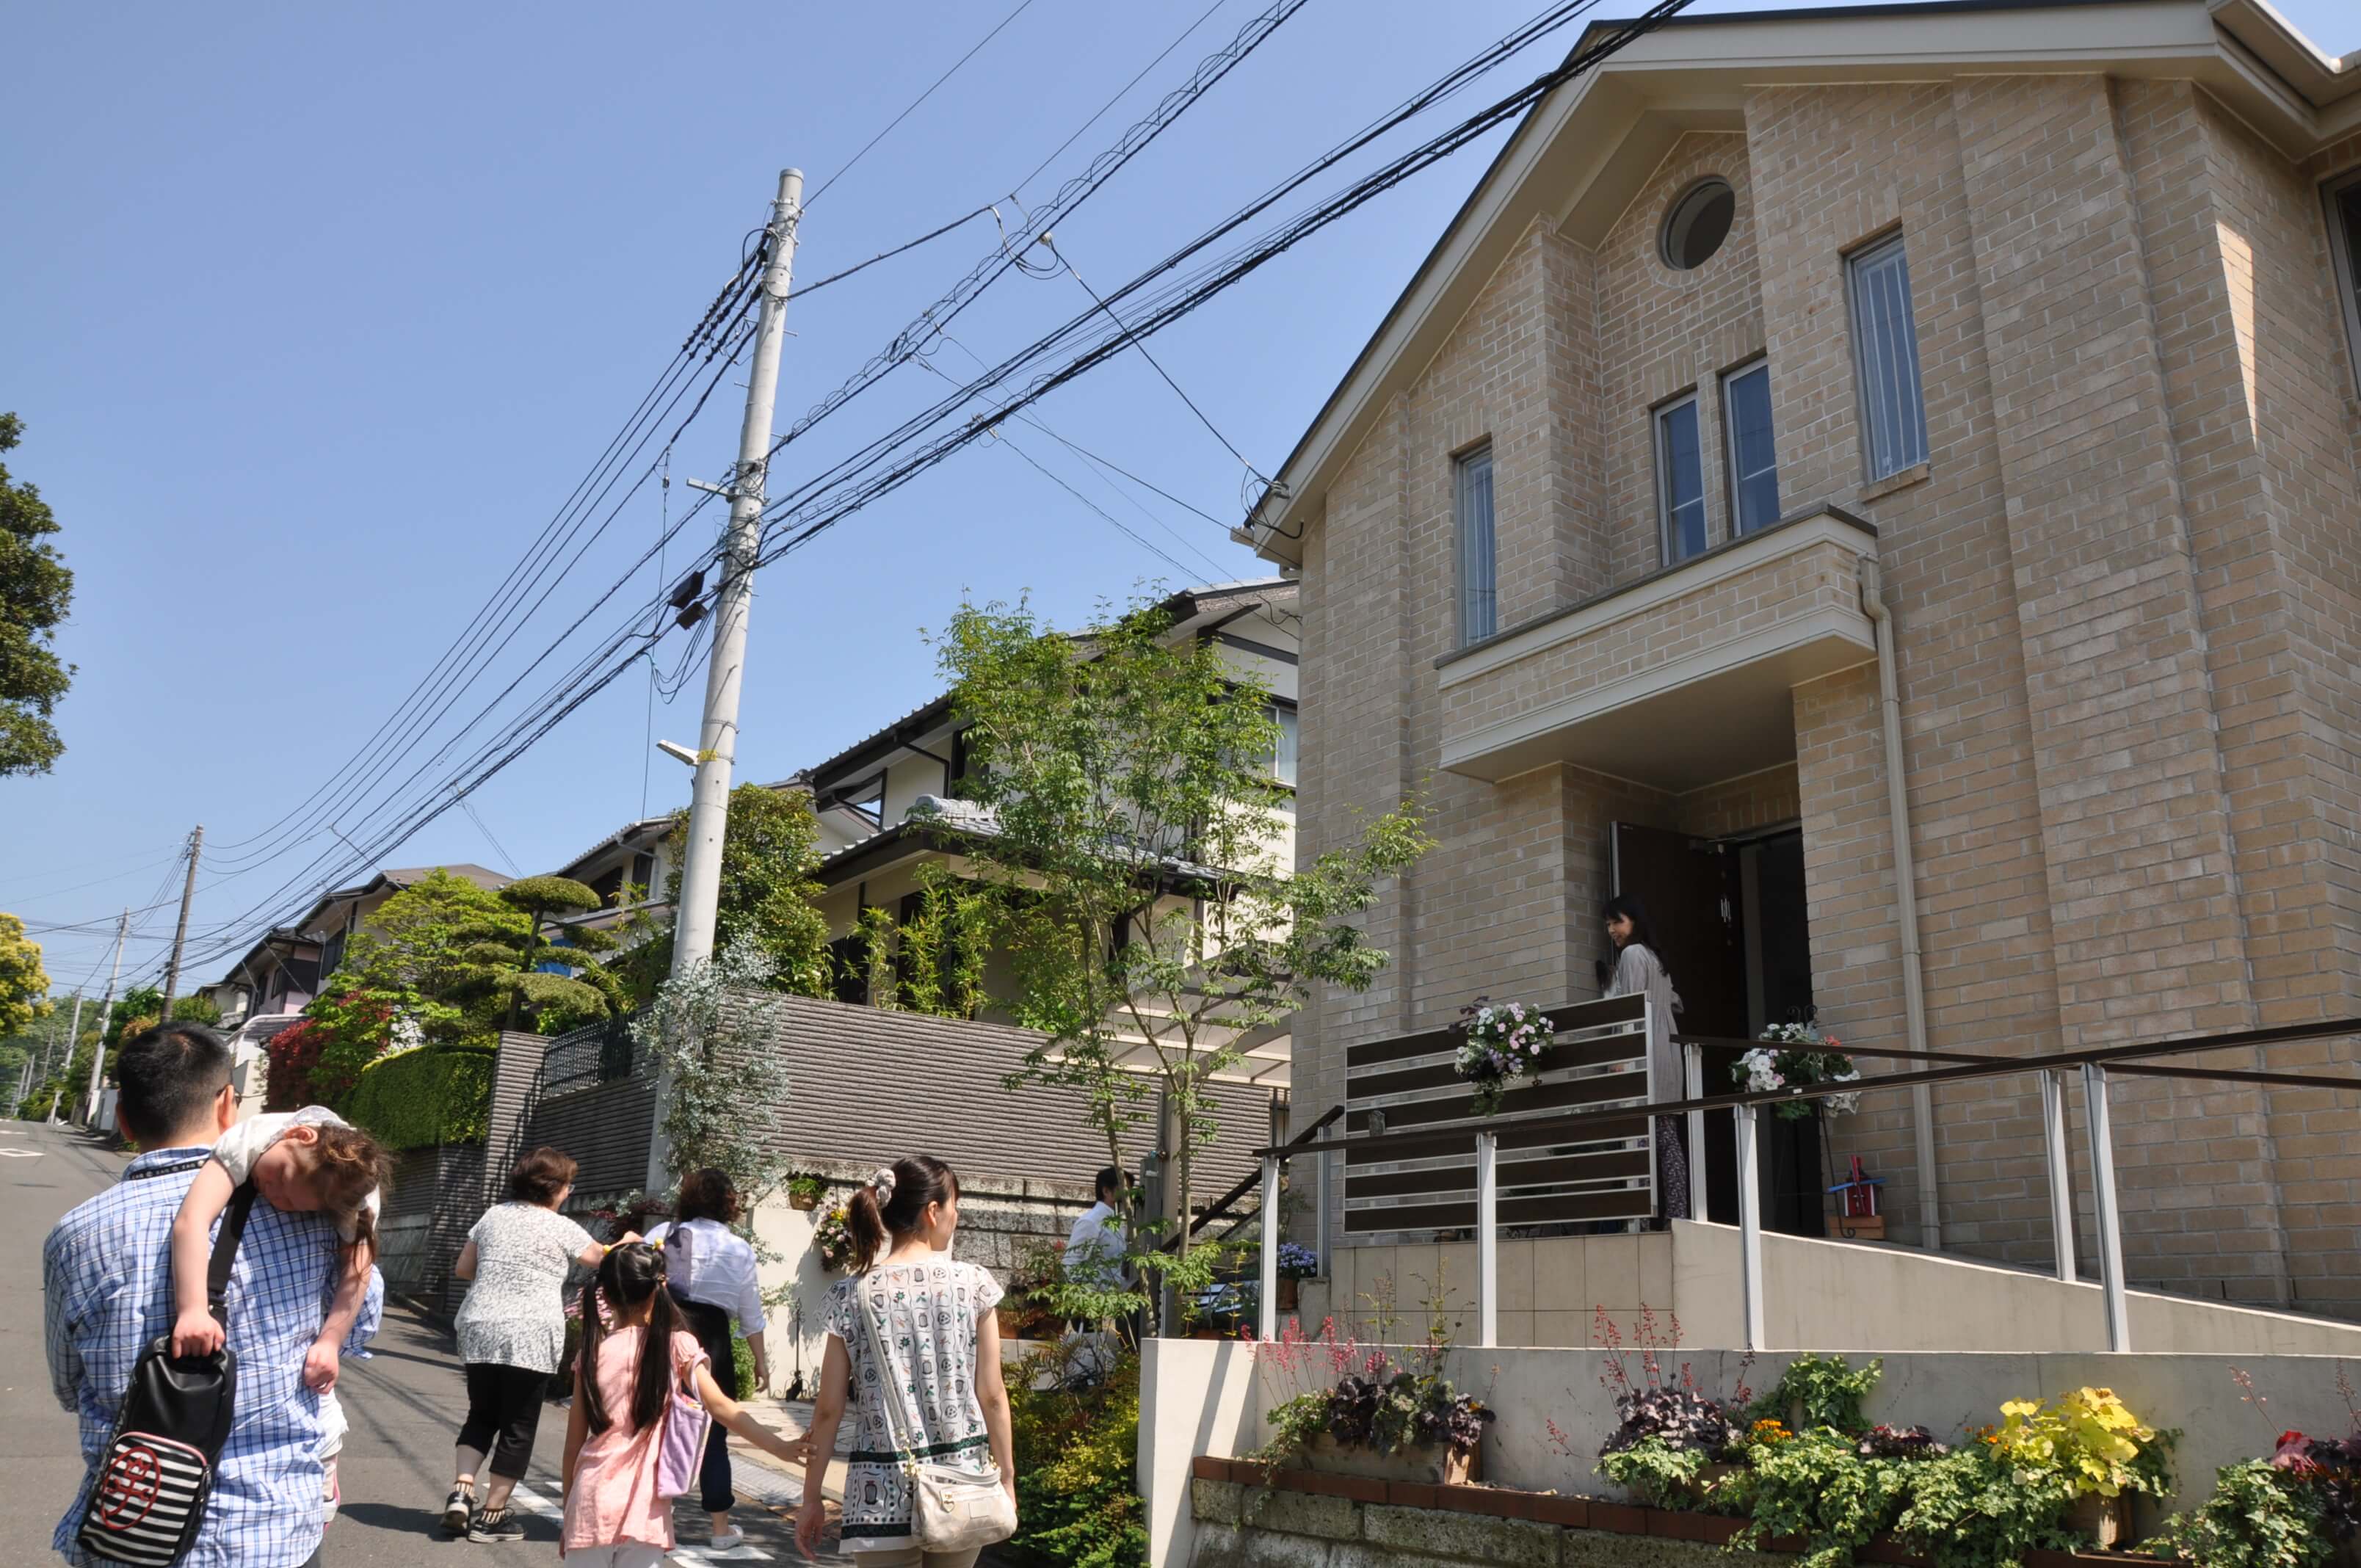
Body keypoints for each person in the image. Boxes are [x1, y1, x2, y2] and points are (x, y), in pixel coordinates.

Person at [44, 1022, 384, 1568]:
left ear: (124, 1120)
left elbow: (68, 1384)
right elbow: (361, 1322)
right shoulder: (319, 1216)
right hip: (271, 1534)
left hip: (134, 1528)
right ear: (230, 1104)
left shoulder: (76, 1234)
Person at [796, 1157, 1016, 1568]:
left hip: (879, 1490)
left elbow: (828, 1410)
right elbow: (992, 1395)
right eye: (954, 1204)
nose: (957, 1214)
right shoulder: (975, 1285)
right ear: (933, 1212)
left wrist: (811, 1498)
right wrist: (1006, 1477)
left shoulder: (851, 1295)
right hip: (962, 1481)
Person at [559, 1242, 808, 1567]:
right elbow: (721, 1407)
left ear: (604, 1298)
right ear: (657, 1291)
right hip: (644, 1510)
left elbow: (573, 1446)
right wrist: (779, 1447)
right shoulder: (676, 1346)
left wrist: (569, 1513)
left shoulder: (591, 1355)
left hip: (589, 1501)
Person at [443, 1146, 619, 1542]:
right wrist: (624, 1242)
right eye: (568, 1185)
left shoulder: (493, 1216)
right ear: (554, 1188)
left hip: (480, 1326)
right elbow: (601, 1258)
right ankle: (492, 1516)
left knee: (481, 1414)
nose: (569, 1193)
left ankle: (462, 1491)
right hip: (531, 1332)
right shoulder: (561, 1227)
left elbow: (463, 1268)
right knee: (518, 1427)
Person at [642, 1167, 767, 1551]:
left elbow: (635, 1282)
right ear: (729, 1204)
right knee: (714, 1434)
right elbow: (751, 1315)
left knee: (655, 1425)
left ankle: (654, 1516)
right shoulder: (739, 1249)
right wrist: (760, 1362)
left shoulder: (662, 1235)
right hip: (713, 1344)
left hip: (664, 1336)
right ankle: (720, 1530)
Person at [1604, 893, 1689, 1223]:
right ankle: (1677, 1213)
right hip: (1667, 1053)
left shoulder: (1632, 954)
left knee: (1640, 1137)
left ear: (1634, 921)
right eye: (1609, 924)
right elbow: (1676, 1002)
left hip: (1643, 1053)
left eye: (1617, 921)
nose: (1612, 930)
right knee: (1667, 1138)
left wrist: (1621, 1055)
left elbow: (1631, 1008)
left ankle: (1638, 1215)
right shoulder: (1656, 957)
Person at [1062, 1166, 1128, 1333]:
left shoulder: (1121, 1221)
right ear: (1106, 1191)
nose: (1129, 1196)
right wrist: (1085, 1300)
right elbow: (1072, 1262)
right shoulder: (1091, 1221)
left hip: (1117, 1302)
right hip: (1094, 1305)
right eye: (1124, 1189)